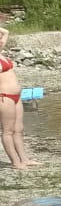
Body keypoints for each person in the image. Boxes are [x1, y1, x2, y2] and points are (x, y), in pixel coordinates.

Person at [0, 25, 32, 170]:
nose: (1, 40)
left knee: (19, 129)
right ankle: (15, 162)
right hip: (4, 97)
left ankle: (25, 159)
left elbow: (6, 32)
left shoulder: (1, 54)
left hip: (16, 96)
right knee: (8, 130)